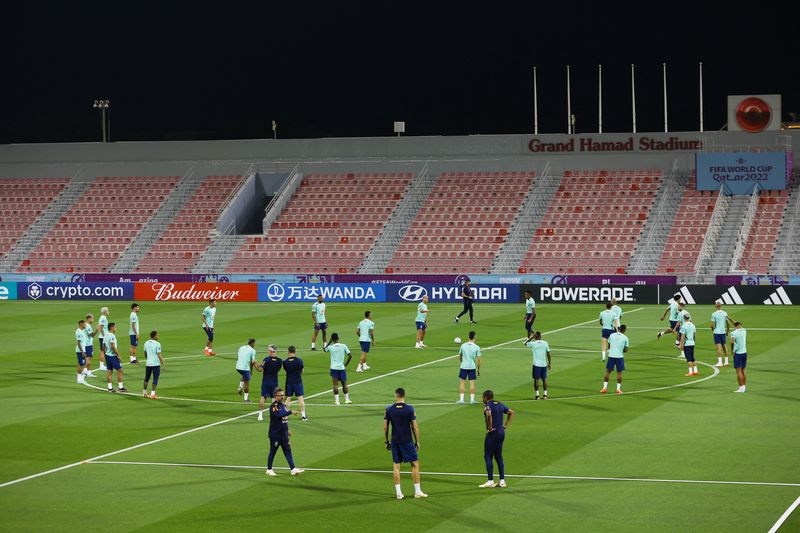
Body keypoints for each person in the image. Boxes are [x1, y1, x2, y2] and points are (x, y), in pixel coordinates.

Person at [383, 387, 427, 499]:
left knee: (396, 466)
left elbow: (385, 427)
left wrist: (386, 441)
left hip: (395, 441)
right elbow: (415, 426)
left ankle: (398, 493)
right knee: (415, 464)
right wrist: (417, 441)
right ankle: (417, 491)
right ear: (404, 396)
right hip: (407, 441)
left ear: (396, 396)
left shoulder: (389, 409)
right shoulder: (409, 409)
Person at [479, 390, 514, 488]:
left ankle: (490, 480)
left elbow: (489, 414)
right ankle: (502, 481)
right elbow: (511, 412)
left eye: (483, 397)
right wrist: (505, 426)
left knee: (487, 456)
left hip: (492, 433)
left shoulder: (487, 406)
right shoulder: (500, 404)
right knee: (498, 456)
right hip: (501, 433)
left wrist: (489, 428)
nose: (482, 399)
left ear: (486, 397)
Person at [265, 388, 304, 477]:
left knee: (288, 452)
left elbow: (284, 419)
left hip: (283, 434)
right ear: (275, 396)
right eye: (280, 395)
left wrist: (287, 430)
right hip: (275, 434)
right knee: (273, 452)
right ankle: (269, 469)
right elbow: (279, 415)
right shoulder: (273, 406)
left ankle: (293, 469)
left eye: (283, 395)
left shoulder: (283, 405)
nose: (282, 397)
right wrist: (290, 412)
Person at [325, 333, 352, 405]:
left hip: (333, 368)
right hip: (341, 368)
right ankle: (347, 400)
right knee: (344, 383)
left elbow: (324, 349)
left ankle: (337, 401)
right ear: (338, 338)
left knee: (335, 385)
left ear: (332, 339)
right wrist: (345, 364)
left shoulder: (330, 347)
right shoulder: (343, 346)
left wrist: (329, 342)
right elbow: (350, 356)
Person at [258, 344, 283, 421]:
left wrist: (255, 363)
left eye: (268, 351)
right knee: (274, 398)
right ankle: (273, 415)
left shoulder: (266, 359)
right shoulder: (279, 361)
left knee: (263, 397)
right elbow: (278, 370)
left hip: (266, 381)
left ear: (271, 351)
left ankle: (260, 415)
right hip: (274, 381)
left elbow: (260, 369)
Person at [601, 324, 628, 394]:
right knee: (619, 373)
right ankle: (618, 389)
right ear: (624, 330)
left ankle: (604, 388)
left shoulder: (612, 335)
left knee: (607, 371)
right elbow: (626, 350)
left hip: (611, 356)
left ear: (619, 329)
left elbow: (609, 346)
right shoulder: (625, 338)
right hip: (619, 357)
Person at [283, 346, 307, 421]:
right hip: (298, 381)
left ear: (289, 352)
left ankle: (285, 416)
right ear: (295, 351)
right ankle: (303, 416)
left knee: (288, 399)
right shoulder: (299, 361)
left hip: (289, 382)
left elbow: (286, 370)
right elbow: (302, 372)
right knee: (300, 399)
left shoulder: (285, 362)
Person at [525, 331, 551, 400]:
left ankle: (537, 396)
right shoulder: (545, 343)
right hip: (544, 364)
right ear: (541, 336)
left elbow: (525, 343)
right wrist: (550, 363)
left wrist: (531, 337)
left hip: (536, 364)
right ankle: (545, 395)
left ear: (535, 337)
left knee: (536, 379)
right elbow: (548, 353)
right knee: (544, 379)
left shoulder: (533, 344)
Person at [457, 331, 481, 404]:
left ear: (468, 337)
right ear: (474, 337)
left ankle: (461, 400)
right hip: (472, 367)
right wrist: (478, 369)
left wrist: (462, 363)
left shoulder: (463, 345)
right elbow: (479, 360)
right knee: (472, 384)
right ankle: (472, 400)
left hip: (463, 366)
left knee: (462, 383)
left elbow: (459, 357)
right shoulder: (477, 347)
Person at [103, 322, 126, 392]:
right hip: (112, 356)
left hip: (107, 356)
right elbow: (113, 346)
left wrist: (105, 354)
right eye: (115, 327)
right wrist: (118, 355)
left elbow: (103, 346)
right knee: (120, 370)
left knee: (109, 371)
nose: (116, 328)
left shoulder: (105, 335)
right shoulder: (112, 336)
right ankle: (121, 387)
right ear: (112, 328)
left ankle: (110, 388)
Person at [142, 330, 166, 398]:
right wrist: (163, 363)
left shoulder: (146, 343)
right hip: (155, 364)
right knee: (155, 378)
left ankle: (144, 393)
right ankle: (152, 394)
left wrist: (148, 359)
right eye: (157, 335)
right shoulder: (157, 344)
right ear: (155, 336)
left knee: (146, 378)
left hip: (148, 363)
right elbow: (159, 354)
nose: (158, 336)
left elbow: (145, 353)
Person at [710, 301, 734, 367]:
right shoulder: (724, 313)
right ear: (721, 306)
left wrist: (713, 329)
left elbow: (712, 324)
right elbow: (728, 324)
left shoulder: (714, 314)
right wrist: (727, 331)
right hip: (723, 332)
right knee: (725, 347)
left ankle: (720, 362)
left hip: (717, 333)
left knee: (718, 348)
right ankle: (726, 362)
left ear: (716, 306)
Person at [236, 338, 259, 403]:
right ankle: (246, 399)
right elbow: (252, 362)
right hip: (244, 368)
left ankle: (240, 387)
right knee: (247, 382)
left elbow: (237, 357)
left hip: (238, 367)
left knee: (244, 375)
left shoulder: (241, 347)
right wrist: (251, 371)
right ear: (253, 343)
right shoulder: (253, 351)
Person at [730, 322, 748, 393]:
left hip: (738, 354)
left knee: (738, 372)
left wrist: (732, 350)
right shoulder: (744, 331)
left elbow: (732, 342)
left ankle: (740, 388)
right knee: (743, 370)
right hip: (744, 353)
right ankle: (744, 387)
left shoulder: (733, 333)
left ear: (735, 326)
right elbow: (737, 324)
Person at [82, 313, 98, 378]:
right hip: (88, 344)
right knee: (89, 358)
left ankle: (85, 370)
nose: (93, 320)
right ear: (89, 318)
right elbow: (92, 335)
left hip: (84, 344)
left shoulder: (83, 324)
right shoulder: (88, 326)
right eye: (92, 318)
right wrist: (97, 329)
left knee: (87, 358)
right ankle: (88, 372)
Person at [75, 319, 87, 384]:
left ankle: (80, 377)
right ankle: (79, 379)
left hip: (82, 350)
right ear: (81, 324)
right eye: (84, 324)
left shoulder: (81, 331)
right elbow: (78, 343)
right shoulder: (79, 332)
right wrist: (82, 352)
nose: (85, 325)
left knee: (83, 363)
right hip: (80, 351)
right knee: (81, 364)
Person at [97, 307, 109, 371]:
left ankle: (103, 364)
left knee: (104, 350)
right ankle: (101, 365)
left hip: (104, 336)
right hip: (103, 337)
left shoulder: (104, 317)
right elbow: (101, 328)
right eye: (107, 311)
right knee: (102, 351)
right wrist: (104, 336)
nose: (108, 312)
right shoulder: (102, 318)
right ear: (105, 312)